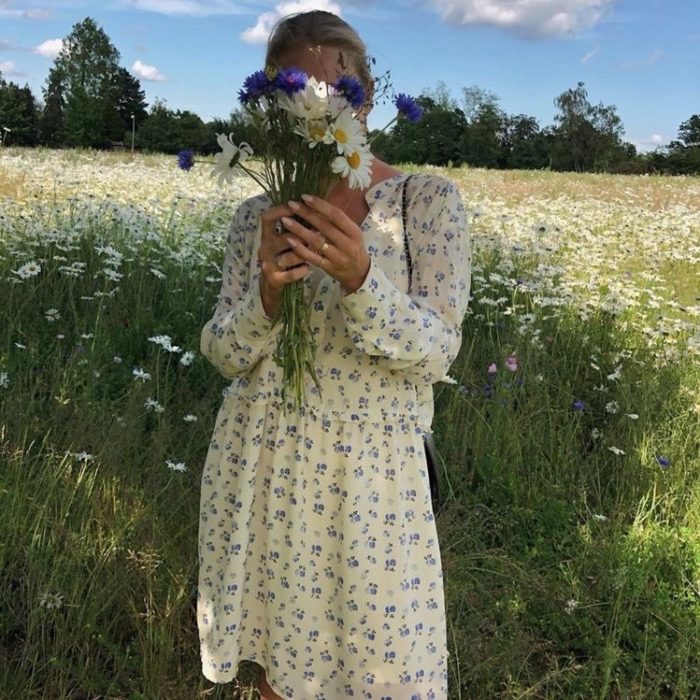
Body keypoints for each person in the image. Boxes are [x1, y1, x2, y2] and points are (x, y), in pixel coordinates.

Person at [197, 10, 471, 699]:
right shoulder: (257, 217)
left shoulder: (422, 202)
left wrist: (360, 279)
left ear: (365, 96)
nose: (316, 105)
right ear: (272, 103)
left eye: (335, 89)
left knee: (382, 667)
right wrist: (265, 294)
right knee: (278, 668)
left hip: (371, 482)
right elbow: (225, 354)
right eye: (297, 91)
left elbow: (437, 349)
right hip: (262, 459)